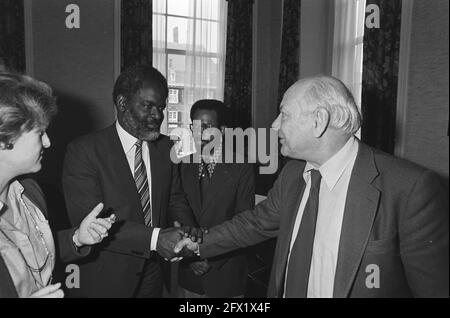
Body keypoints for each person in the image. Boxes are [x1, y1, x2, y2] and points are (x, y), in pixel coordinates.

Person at [175, 75, 449, 298]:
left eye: (284, 115)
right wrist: (195, 244)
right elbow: (253, 224)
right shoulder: (293, 174)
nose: (273, 125)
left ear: (318, 121)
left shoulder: (411, 188)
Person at [62, 65, 200, 298]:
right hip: (107, 278)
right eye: (148, 105)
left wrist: (187, 229)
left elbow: (175, 198)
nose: (158, 115)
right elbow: (92, 222)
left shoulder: (166, 148)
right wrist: (156, 240)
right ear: (123, 103)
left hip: (155, 273)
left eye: (161, 107)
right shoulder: (83, 151)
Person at [0, 71, 115, 298]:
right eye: (39, 133)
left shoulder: (30, 192)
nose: (48, 142)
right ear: (5, 138)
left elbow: (32, 254)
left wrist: (77, 238)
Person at [177, 100, 254, 298]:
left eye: (208, 127)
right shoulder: (181, 165)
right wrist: (191, 258)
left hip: (225, 271)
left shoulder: (241, 167)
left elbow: (243, 222)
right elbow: (176, 213)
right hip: (189, 272)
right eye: (195, 126)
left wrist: (207, 256)